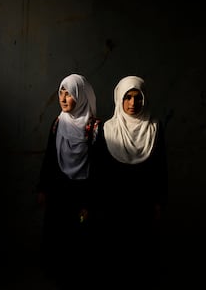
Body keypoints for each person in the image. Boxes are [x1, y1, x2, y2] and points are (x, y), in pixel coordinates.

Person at [92, 75, 168, 288]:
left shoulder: (154, 127)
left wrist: (159, 202)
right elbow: (99, 171)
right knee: (115, 251)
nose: (133, 103)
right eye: (127, 97)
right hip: (114, 204)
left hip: (143, 203)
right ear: (119, 99)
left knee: (143, 251)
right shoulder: (107, 129)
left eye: (138, 98)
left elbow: (161, 167)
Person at [36, 73, 102, 290]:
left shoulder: (94, 129)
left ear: (81, 97)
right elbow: (49, 158)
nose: (63, 99)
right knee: (59, 233)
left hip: (82, 192)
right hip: (59, 189)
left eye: (70, 94)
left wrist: (90, 202)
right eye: (61, 93)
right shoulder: (58, 123)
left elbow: (99, 168)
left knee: (80, 234)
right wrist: (43, 189)